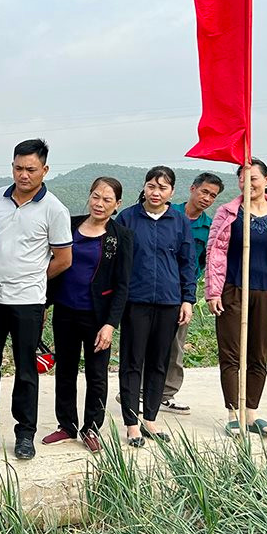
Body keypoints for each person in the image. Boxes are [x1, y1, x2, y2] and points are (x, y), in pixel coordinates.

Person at [0, 139, 72, 460]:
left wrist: (34, 279)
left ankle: (25, 433)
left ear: (45, 169)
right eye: (18, 168)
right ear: (11, 165)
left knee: (26, 369)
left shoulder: (55, 209)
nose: (23, 175)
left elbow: (63, 258)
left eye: (30, 169)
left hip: (28, 302)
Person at [204, 159, 267, 437]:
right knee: (231, 354)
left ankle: (251, 414)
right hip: (233, 290)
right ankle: (232, 413)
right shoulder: (227, 213)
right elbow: (214, 254)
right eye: (243, 179)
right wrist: (213, 291)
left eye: (254, 179)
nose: (248, 184)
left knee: (259, 355)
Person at [42, 177, 133, 452]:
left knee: (96, 374)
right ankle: (67, 425)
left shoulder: (121, 236)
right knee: (66, 371)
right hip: (66, 311)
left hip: (98, 316)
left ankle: (91, 427)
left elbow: (122, 285)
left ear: (117, 204)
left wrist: (110, 324)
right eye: (96, 196)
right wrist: (44, 304)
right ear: (89, 196)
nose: (99, 203)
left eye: (107, 200)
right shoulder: (69, 225)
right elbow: (52, 264)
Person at [113, 166, 195, 447]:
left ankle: (150, 418)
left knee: (159, 363)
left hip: (169, 302)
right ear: (144, 188)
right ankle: (131, 424)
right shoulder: (128, 218)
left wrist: (188, 298)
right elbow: (118, 263)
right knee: (132, 362)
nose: (155, 192)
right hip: (135, 301)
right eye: (151, 186)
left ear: (172, 191)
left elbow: (187, 262)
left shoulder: (179, 221)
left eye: (162, 187)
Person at [161, 172, 223, 416]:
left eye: (213, 196)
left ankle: (166, 394)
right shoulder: (166, 211)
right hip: (153, 287)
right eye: (204, 191)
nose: (207, 198)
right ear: (192, 188)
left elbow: (203, 262)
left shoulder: (209, 228)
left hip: (181, 292)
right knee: (145, 342)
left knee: (175, 345)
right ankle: (136, 391)